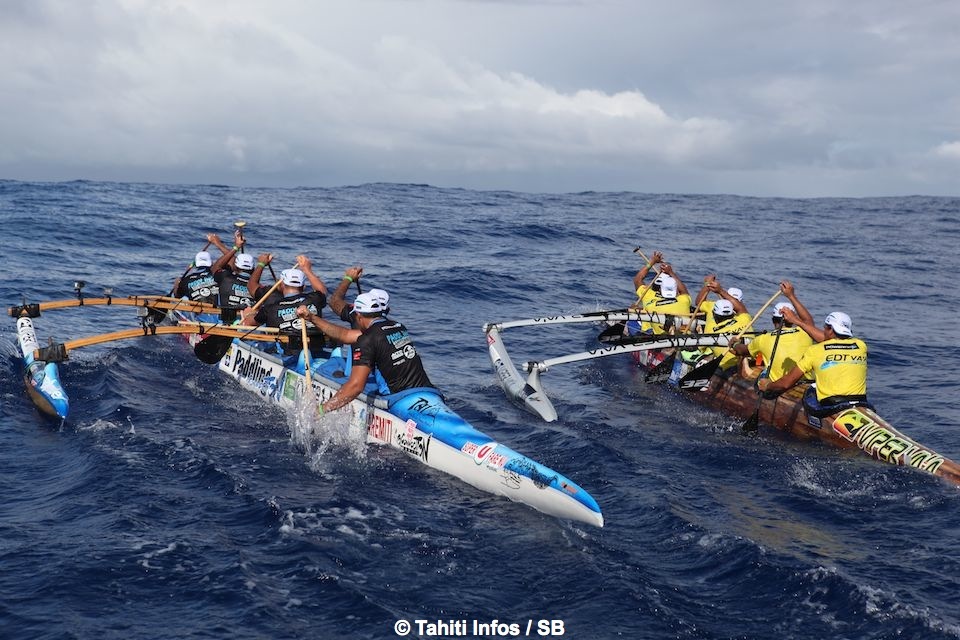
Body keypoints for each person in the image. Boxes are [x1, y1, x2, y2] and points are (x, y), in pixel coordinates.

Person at [296, 292, 435, 413]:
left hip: (398, 399)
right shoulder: (397, 326)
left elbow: (356, 387)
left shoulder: (367, 340)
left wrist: (321, 410)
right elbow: (345, 334)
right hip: (427, 391)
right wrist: (312, 318)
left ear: (358, 315)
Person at [762, 309, 870, 417]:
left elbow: (786, 383)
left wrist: (768, 385)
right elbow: (830, 342)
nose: (823, 330)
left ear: (831, 329)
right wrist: (796, 320)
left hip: (831, 407)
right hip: (861, 403)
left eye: (825, 327)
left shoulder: (815, 351)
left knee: (811, 389)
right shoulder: (861, 346)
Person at [241, 254, 328, 363]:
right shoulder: (315, 299)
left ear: (281, 285)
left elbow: (250, 323)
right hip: (315, 351)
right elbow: (322, 291)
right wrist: (307, 269)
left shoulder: (271, 307)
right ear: (303, 286)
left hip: (287, 354)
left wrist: (249, 314)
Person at [730, 280, 813, 382]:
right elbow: (808, 321)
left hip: (777, 386)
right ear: (792, 319)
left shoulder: (763, 339)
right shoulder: (805, 332)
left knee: (761, 369)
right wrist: (791, 296)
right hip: (804, 381)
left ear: (773, 320)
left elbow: (741, 351)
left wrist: (735, 344)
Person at [173, 231, 243, 304]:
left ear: (196, 264)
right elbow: (234, 262)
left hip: (198, 312)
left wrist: (177, 284)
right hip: (218, 311)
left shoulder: (186, 280)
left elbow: (177, 296)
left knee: (185, 299)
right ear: (211, 263)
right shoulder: (217, 274)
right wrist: (233, 246)